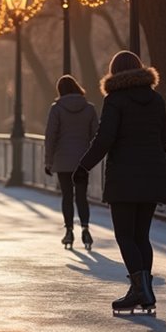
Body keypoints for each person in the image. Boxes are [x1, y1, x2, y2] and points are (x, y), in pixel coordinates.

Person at [76, 51, 166, 315]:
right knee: (142, 236)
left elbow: (105, 138)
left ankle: (140, 290)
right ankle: (143, 290)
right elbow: (164, 137)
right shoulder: (156, 99)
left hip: (124, 178)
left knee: (125, 235)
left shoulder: (115, 100)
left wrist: (83, 167)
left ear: (114, 72)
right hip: (153, 175)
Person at [44, 75, 98, 250]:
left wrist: (48, 161)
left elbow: (51, 137)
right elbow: (95, 135)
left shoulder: (56, 109)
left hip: (63, 159)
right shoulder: (89, 109)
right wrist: (91, 156)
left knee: (67, 196)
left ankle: (68, 231)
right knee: (82, 196)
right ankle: (85, 229)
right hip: (82, 160)